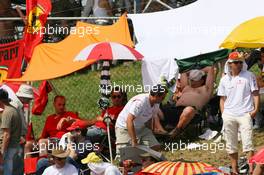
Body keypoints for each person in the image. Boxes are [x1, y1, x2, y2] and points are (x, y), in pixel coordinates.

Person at [217, 51, 259, 174]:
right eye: (236, 62)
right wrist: (223, 113)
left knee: (248, 143)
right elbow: (222, 98)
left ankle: (251, 170)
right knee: (231, 144)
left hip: (245, 113)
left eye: (241, 62)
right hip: (229, 115)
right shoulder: (224, 79)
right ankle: (234, 169)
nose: (238, 64)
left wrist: (255, 109)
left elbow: (255, 93)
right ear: (230, 64)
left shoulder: (249, 75)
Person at [115, 84, 167, 159]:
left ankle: (142, 157)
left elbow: (149, 118)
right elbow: (129, 120)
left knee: (155, 147)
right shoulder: (140, 102)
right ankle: (134, 155)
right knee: (123, 154)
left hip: (140, 127)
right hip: (124, 127)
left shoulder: (156, 103)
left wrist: (150, 132)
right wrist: (134, 140)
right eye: (162, 97)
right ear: (156, 96)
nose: (163, 99)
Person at [165, 66, 214, 138]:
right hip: (176, 110)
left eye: (195, 79)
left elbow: (210, 69)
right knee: (156, 109)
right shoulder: (186, 87)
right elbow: (183, 71)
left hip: (192, 113)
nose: (192, 82)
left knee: (189, 109)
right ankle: (159, 131)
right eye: (191, 79)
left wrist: (199, 71)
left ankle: (175, 132)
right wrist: (193, 71)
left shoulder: (206, 89)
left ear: (202, 80)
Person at [0, 89, 22, 175]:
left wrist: (2, 152)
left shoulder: (7, 112)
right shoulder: (13, 109)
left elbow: (6, 135)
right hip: (14, 146)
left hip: (9, 148)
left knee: (6, 171)